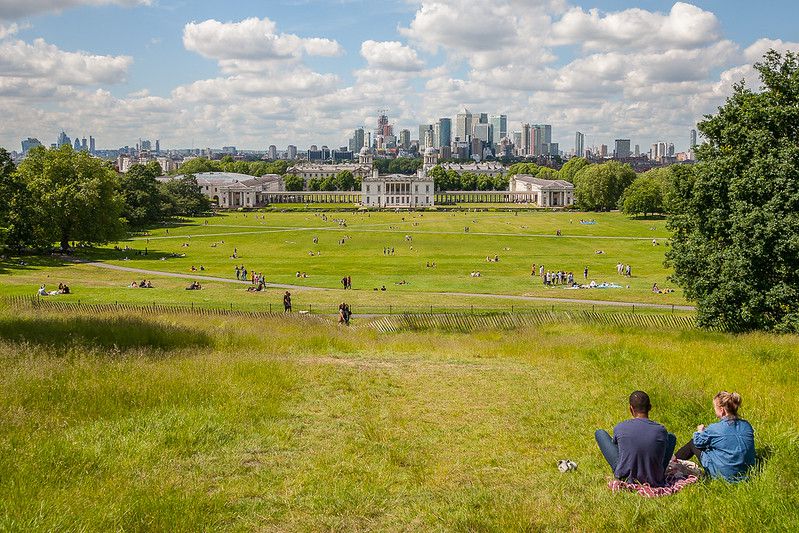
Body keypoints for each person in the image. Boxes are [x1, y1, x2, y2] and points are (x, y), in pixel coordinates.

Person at [595, 391, 676, 487]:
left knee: (600, 433)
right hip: (653, 477)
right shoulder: (661, 430)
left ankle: (624, 467)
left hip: (625, 475)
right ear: (650, 407)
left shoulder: (620, 427)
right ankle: (656, 471)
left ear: (631, 408)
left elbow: (616, 444)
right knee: (671, 437)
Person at [674, 391, 755, 482]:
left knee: (693, 442)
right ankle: (673, 461)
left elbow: (698, 442)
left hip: (723, 475)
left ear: (722, 410)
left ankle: (672, 463)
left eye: (715, 408)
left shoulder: (714, 428)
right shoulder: (747, 425)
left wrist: (700, 432)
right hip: (747, 471)